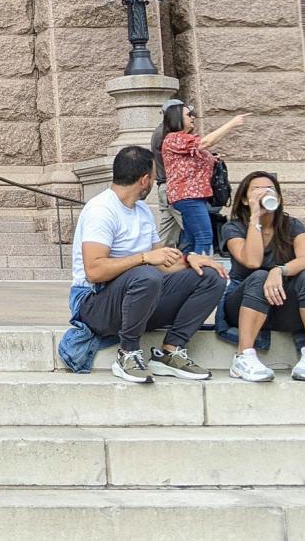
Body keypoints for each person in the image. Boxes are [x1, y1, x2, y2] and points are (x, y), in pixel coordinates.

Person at [64, 145, 225, 384]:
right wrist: (143, 258)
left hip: (139, 298)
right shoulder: (101, 210)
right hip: (94, 304)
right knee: (146, 275)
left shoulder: (142, 211)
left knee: (211, 276)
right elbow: (94, 271)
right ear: (145, 180)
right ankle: (128, 353)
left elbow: (161, 260)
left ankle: (170, 351)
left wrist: (190, 259)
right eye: (154, 175)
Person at [221, 172, 305, 382]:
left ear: (278, 198)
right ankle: (243, 356)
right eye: (257, 189)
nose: (264, 192)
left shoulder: (292, 225)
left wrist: (279, 270)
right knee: (259, 275)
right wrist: (255, 218)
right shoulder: (233, 227)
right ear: (244, 199)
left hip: (281, 304)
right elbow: (252, 261)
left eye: (269, 188)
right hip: (243, 305)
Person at [160, 101, 245, 255]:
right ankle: (204, 273)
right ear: (176, 118)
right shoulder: (174, 138)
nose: (193, 117)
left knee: (191, 240)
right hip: (188, 196)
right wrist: (232, 124)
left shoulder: (185, 140)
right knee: (204, 237)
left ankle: (185, 273)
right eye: (188, 115)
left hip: (193, 197)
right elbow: (207, 142)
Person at [148, 104, 183, 248]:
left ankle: (156, 259)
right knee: (196, 227)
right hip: (172, 187)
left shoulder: (162, 133)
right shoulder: (166, 135)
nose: (191, 117)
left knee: (166, 232)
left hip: (166, 186)